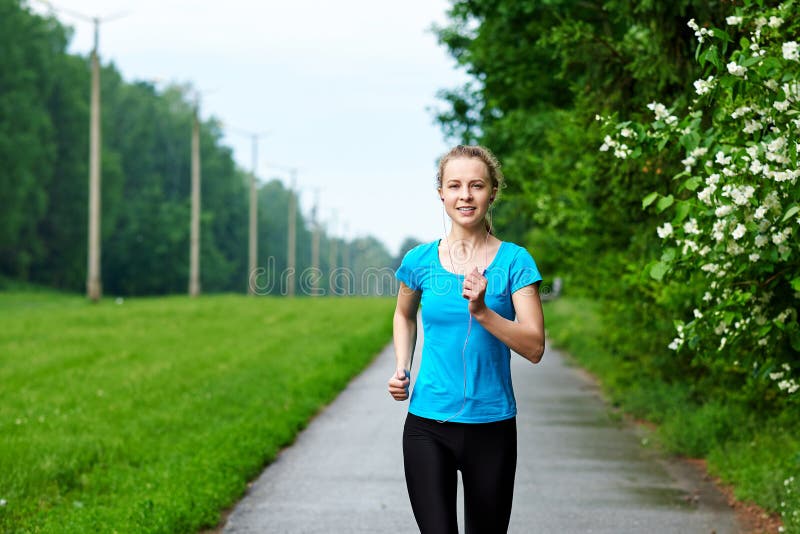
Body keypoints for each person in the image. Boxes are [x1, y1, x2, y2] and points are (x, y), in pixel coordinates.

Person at [388, 144, 545, 534]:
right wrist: (401, 368)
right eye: (454, 185)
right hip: (427, 425)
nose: (465, 195)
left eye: (476, 185)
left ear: (492, 191)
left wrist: (484, 313)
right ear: (441, 193)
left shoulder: (515, 262)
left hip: (491, 425)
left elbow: (534, 346)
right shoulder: (419, 261)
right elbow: (404, 315)